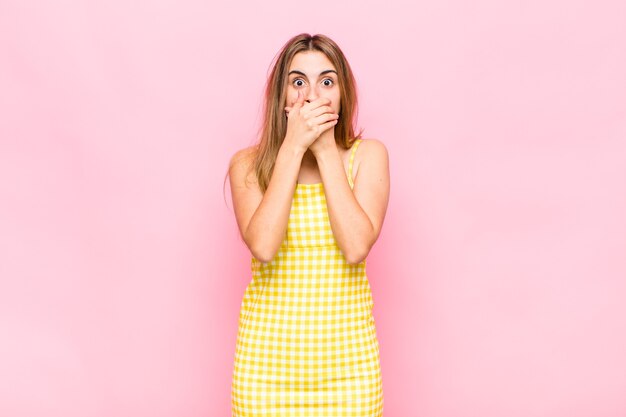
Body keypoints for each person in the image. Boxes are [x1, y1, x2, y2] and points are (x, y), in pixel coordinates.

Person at [227, 33, 390, 417]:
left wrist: (325, 149)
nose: (312, 95)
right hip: (264, 374)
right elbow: (264, 247)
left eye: (327, 82)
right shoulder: (247, 165)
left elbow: (355, 247)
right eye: (298, 82)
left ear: (342, 94)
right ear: (281, 98)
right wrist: (294, 147)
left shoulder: (368, 157)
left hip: (350, 376)